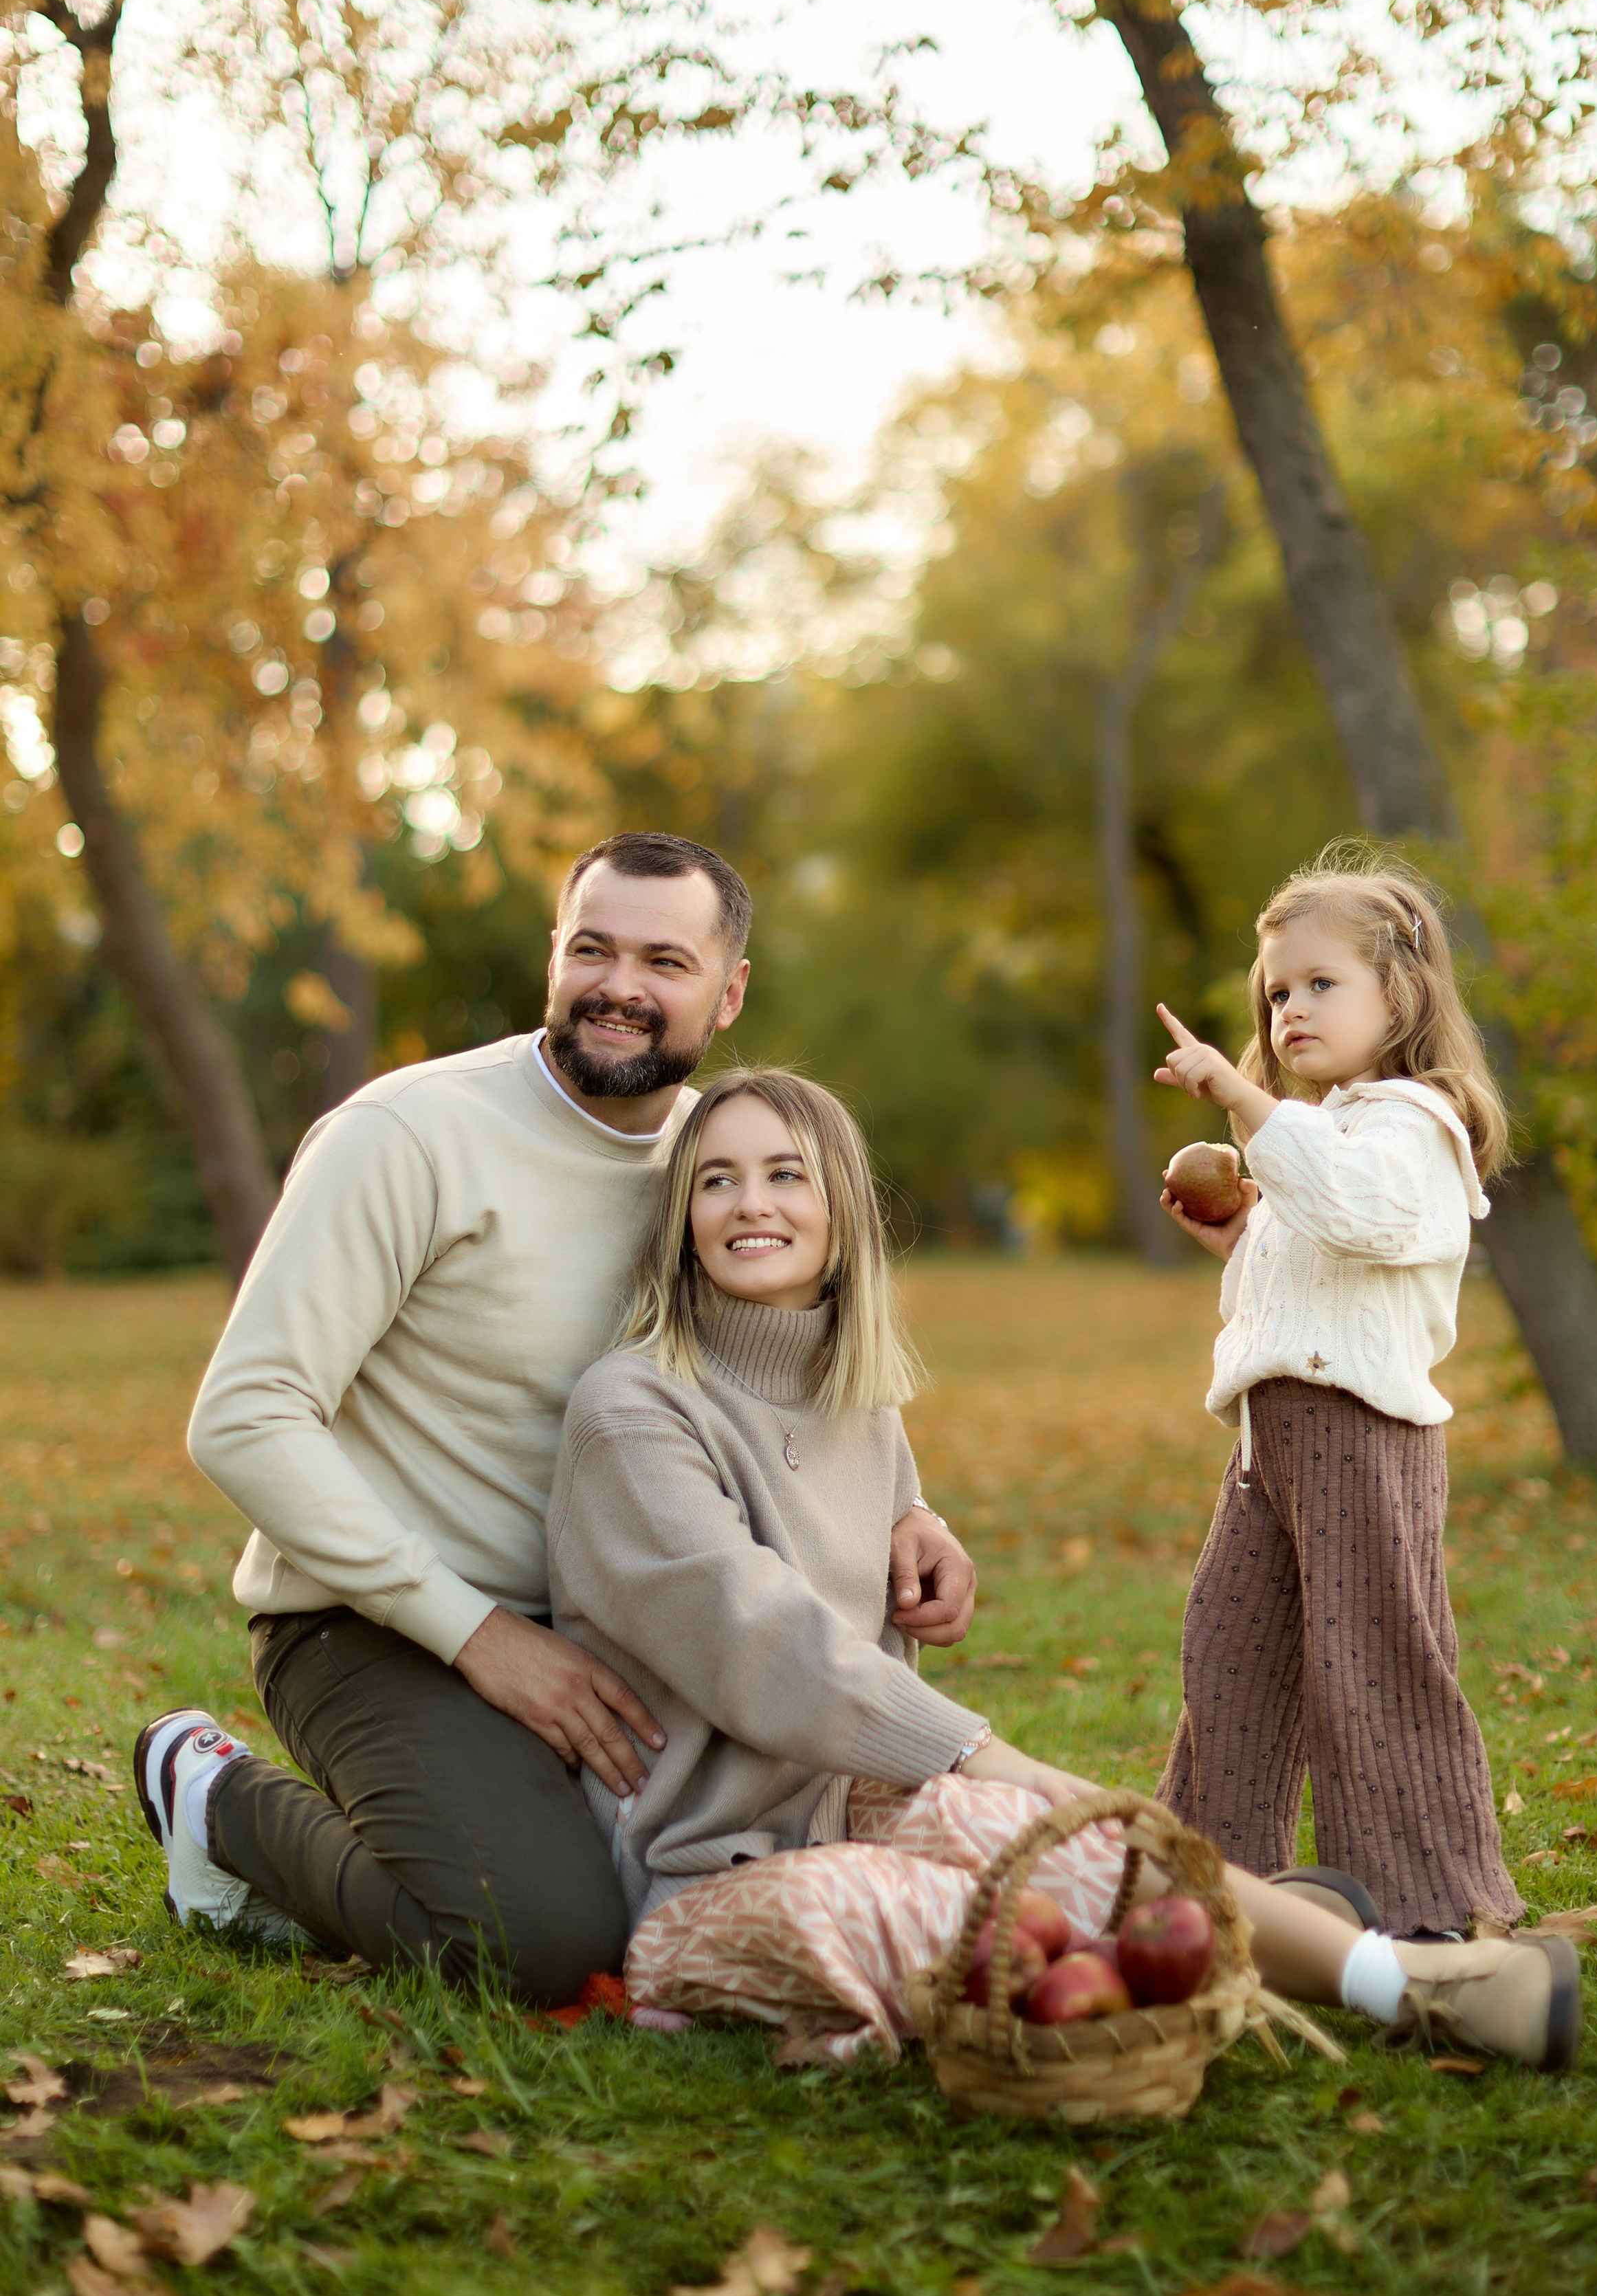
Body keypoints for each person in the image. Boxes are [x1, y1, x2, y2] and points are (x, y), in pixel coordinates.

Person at [544, 1062, 1578, 2070]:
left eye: (784, 1174)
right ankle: (1254, 1937)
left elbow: (844, 1488)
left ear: (839, 1208)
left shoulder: (849, 1388)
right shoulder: (631, 1414)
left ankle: (1407, 1982)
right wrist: (977, 1753)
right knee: (966, 1898)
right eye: (715, 1179)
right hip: (703, 1881)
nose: (747, 1204)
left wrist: (915, 1514)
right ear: (681, 1215)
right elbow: (764, 1641)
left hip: (862, 1806)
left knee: (1070, 1840)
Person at [132, 832, 976, 2004]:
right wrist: (477, 1634)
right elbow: (244, 1416)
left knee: (710, 1894)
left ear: (728, 993)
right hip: (377, 1623)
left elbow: (795, 1344)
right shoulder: (409, 1137)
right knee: (539, 1945)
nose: (621, 987)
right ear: (553, 959)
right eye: (594, 948)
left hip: (627, 1630)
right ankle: (215, 1799)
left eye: (665, 961)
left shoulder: (715, 1162)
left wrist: (911, 1505)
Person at [1152, 846, 1523, 1939]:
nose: (1290, 1009)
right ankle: (1214, 1894)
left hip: (1361, 1441)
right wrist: (1239, 1241)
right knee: (1229, 1651)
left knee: (1372, 1665)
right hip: (1273, 1444)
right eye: (1276, 993)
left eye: (1322, 984)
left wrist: (1243, 1103)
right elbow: (1321, 1280)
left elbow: (1362, 1210)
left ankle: (1432, 1906)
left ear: (1398, 993)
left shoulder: (1413, 1123)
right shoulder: (1328, 1131)